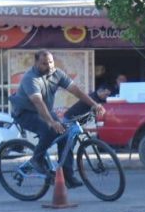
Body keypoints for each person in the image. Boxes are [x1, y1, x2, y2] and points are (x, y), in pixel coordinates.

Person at [9, 50, 105, 188]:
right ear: (36, 63)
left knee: (65, 135)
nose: (49, 66)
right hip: (25, 113)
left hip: (45, 110)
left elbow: (76, 90)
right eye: (44, 63)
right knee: (49, 130)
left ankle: (67, 176)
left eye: (51, 62)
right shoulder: (30, 78)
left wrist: (94, 104)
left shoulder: (56, 73)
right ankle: (37, 160)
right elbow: (38, 102)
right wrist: (51, 122)